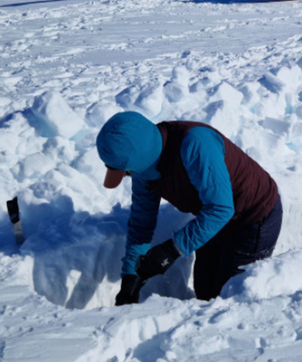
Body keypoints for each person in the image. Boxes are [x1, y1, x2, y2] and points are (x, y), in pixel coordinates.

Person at [96, 111, 282, 304]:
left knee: (229, 300)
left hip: (253, 216)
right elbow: (141, 224)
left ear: (139, 159)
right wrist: (130, 278)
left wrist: (171, 250)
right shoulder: (142, 172)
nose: (127, 176)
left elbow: (221, 208)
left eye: (127, 171)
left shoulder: (195, 144)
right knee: (205, 293)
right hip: (212, 219)